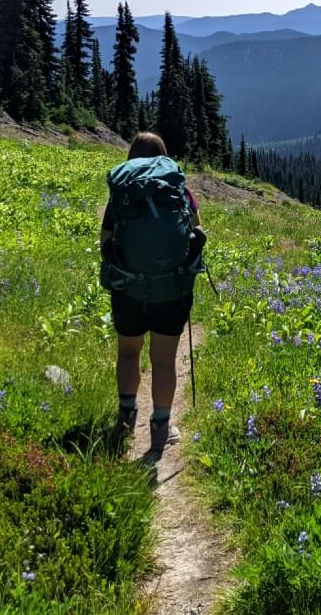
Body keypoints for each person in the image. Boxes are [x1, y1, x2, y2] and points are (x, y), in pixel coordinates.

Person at [99, 131, 205, 458]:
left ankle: (126, 416)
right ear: (163, 156)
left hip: (129, 288)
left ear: (132, 156)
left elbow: (105, 244)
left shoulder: (122, 193)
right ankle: (161, 428)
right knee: (163, 360)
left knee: (129, 352)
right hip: (171, 290)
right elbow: (197, 235)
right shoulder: (178, 190)